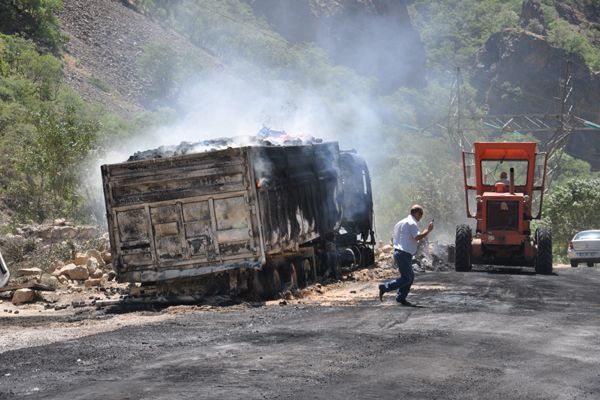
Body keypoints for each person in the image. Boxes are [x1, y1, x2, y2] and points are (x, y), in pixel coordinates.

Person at [378, 205, 434, 306]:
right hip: (404, 253)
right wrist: (428, 230)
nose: (420, 218)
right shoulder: (412, 223)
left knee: (410, 276)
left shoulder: (400, 222)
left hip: (399, 252)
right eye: (420, 215)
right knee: (407, 278)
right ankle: (385, 287)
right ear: (417, 213)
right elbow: (417, 237)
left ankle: (401, 297)